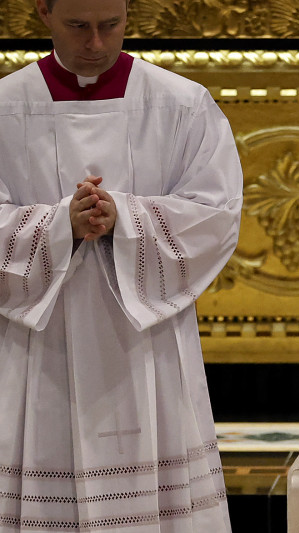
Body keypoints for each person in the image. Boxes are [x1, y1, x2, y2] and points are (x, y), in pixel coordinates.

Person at [0, 0, 242, 530]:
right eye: (78, 27)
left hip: (146, 345)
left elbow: (216, 214)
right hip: (40, 346)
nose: (95, 44)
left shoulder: (181, 104)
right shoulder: (6, 106)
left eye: (110, 25)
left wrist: (125, 218)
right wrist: (59, 224)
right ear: (42, 12)